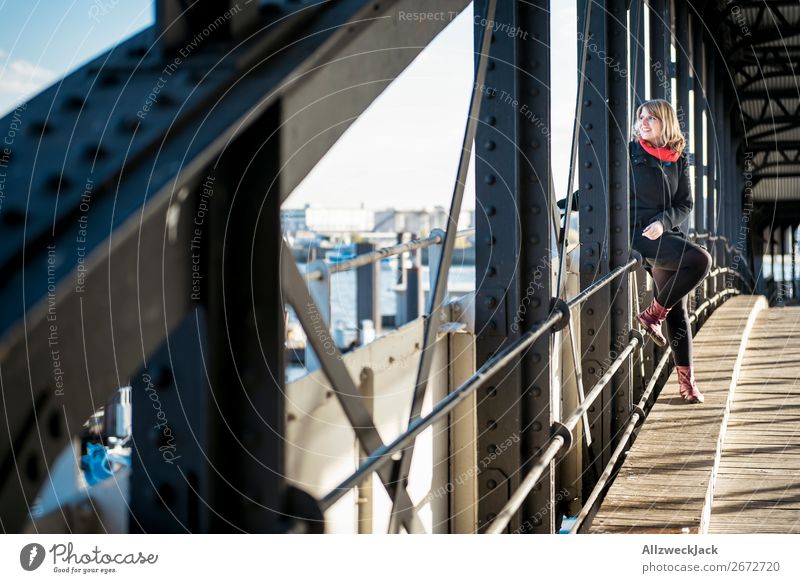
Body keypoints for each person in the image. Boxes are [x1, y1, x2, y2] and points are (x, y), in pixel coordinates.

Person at [630, 99, 712, 404]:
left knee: (676, 309)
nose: (644, 122)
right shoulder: (630, 152)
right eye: (641, 117)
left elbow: (685, 203)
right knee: (701, 259)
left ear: (666, 122)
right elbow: (603, 187)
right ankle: (652, 314)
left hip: (666, 235)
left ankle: (687, 385)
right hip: (637, 235)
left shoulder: (677, 157)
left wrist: (664, 223)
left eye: (652, 117)